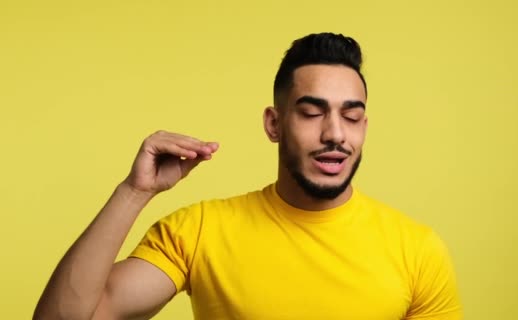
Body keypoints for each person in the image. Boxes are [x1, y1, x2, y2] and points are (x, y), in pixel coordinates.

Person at [34, 33, 462, 320]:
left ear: (364, 128)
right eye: (312, 113)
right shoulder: (200, 230)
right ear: (274, 124)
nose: (334, 134)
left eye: (351, 117)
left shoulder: (418, 250)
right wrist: (133, 192)